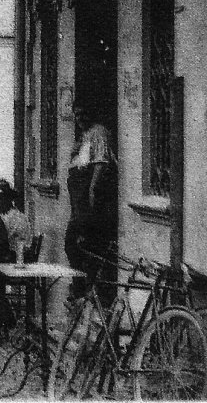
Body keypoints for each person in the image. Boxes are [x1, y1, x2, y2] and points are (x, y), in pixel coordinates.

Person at [66, 102, 118, 304]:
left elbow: (101, 162)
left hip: (89, 197)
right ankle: (82, 288)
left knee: (82, 243)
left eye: (83, 114)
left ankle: (88, 288)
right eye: (76, 115)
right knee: (74, 244)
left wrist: (92, 190)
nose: (79, 118)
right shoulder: (84, 135)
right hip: (78, 198)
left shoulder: (98, 132)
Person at [0, 179, 30, 259]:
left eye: (0, 199)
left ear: (8, 199)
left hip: (14, 256)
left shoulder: (18, 218)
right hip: (2, 253)